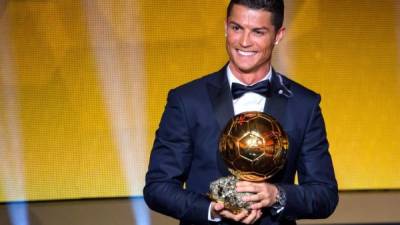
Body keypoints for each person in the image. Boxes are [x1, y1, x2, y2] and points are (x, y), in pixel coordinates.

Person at [143, 0, 338, 224]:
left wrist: (277, 195)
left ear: (278, 35)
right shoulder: (187, 100)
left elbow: (325, 195)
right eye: (237, 28)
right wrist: (211, 211)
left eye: (258, 32)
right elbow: (158, 187)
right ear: (226, 27)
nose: (244, 42)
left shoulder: (304, 104)